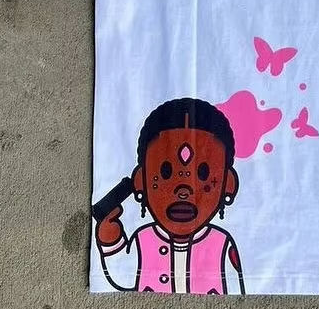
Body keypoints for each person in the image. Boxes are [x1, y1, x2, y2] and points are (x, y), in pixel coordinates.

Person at [95, 97, 245, 294]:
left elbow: (235, 294)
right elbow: (124, 275)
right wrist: (111, 240)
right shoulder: (143, 240)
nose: (183, 190)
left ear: (229, 184)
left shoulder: (222, 245)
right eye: (165, 172)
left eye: (203, 173)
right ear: (140, 180)